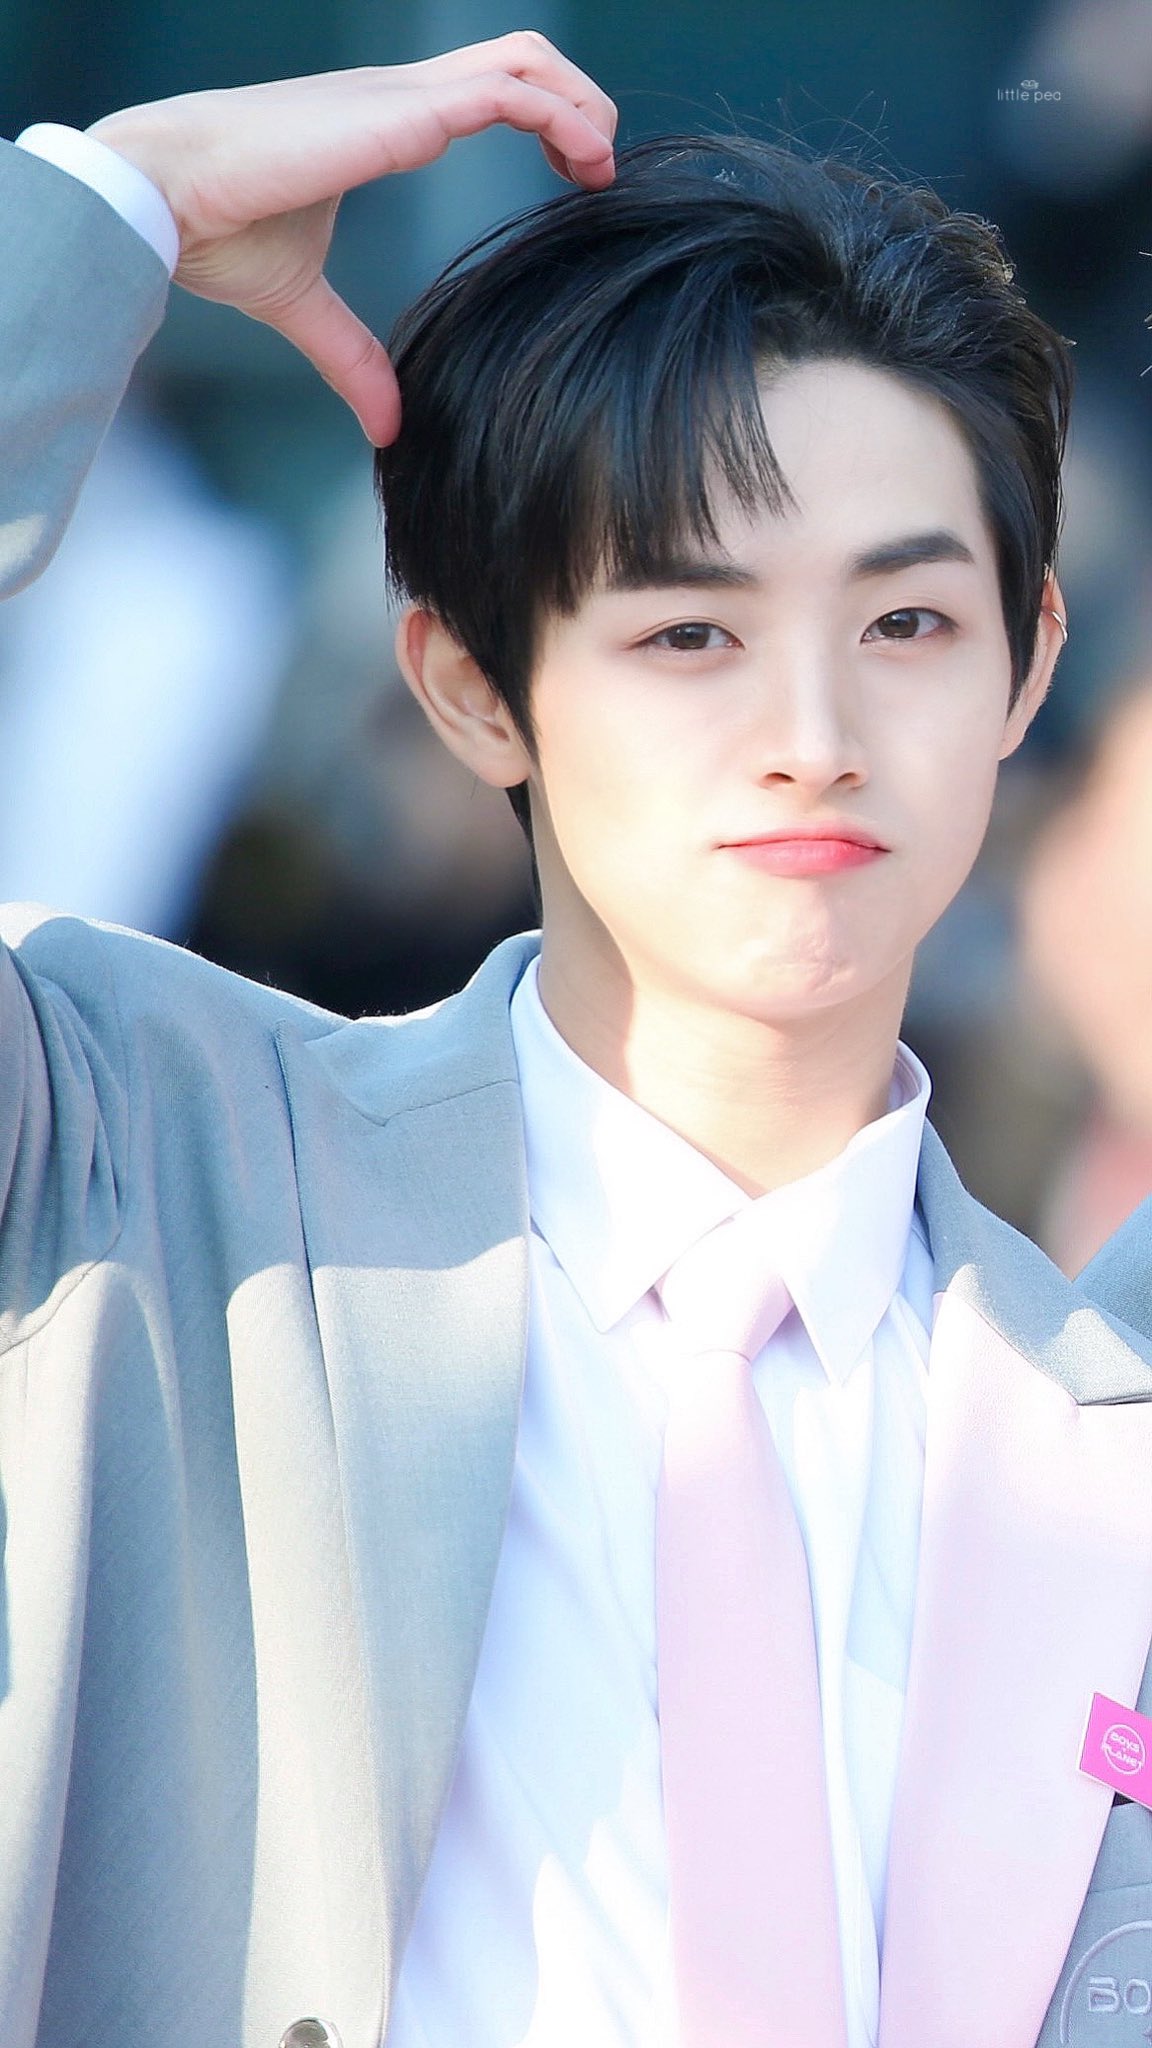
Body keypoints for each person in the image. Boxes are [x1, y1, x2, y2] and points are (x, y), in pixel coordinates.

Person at [0, 34, 1149, 2048]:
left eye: (905, 624)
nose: (813, 732)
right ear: (471, 687)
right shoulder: (148, 1153)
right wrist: (113, 205)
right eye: (690, 633)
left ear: (1026, 659)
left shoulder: (1099, 1409)